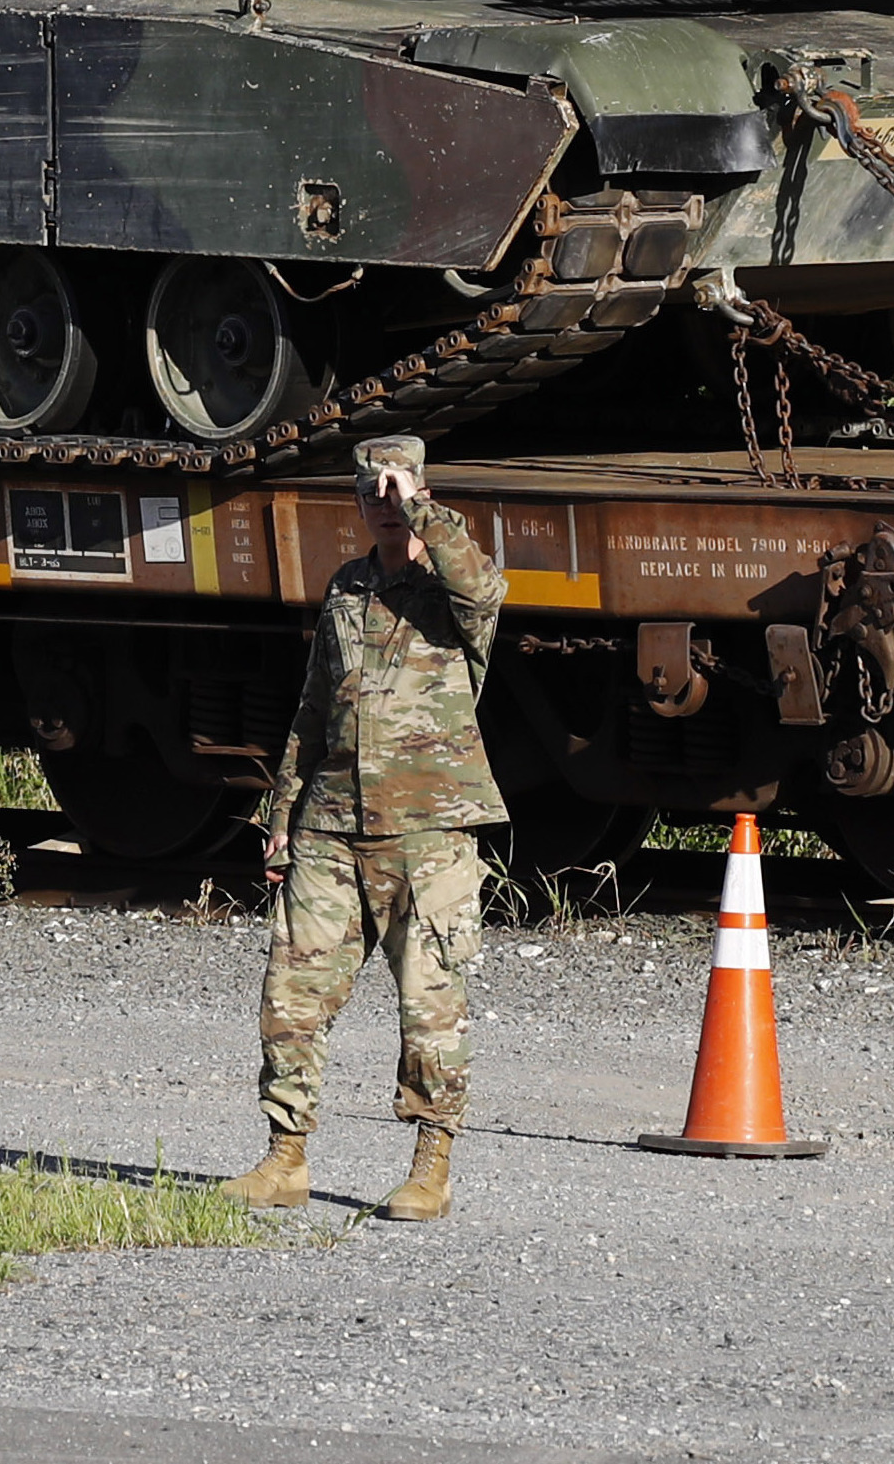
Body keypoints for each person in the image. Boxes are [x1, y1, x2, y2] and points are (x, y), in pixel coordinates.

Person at [218, 434, 504, 1222]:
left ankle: (430, 1168)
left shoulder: (453, 587)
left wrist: (418, 507)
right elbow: (313, 711)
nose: (381, 500)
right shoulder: (347, 588)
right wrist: (281, 815)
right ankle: (284, 1159)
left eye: (396, 486)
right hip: (332, 828)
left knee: (429, 1007)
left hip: (429, 832)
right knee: (291, 996)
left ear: (421, 490)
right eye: (369, 489)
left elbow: (481, 585)